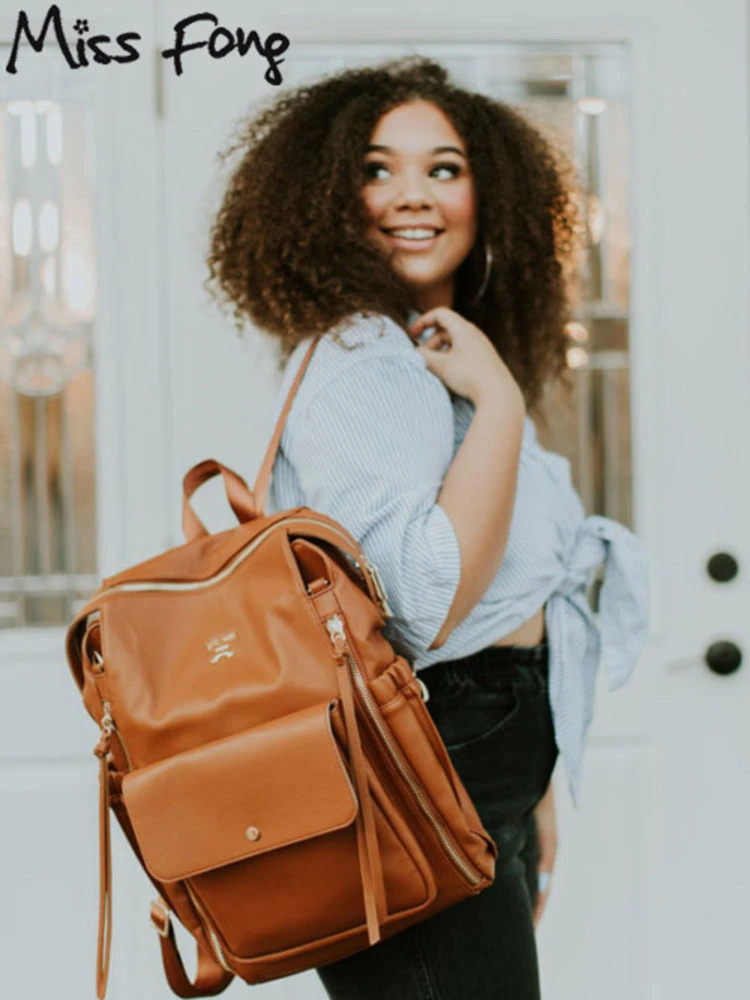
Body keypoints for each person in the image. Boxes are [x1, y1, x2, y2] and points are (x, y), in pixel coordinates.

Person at [206, 55, 650, 1000]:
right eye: (377, 168)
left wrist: (527, 794)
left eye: (444, 168)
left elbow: (510, 602)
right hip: (424, 765)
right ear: (326, 196)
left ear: (490, 192)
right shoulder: (371, 356)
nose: (413, 195)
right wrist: (496, 399)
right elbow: (423, 606)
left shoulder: (428, 348)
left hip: (476, 769)